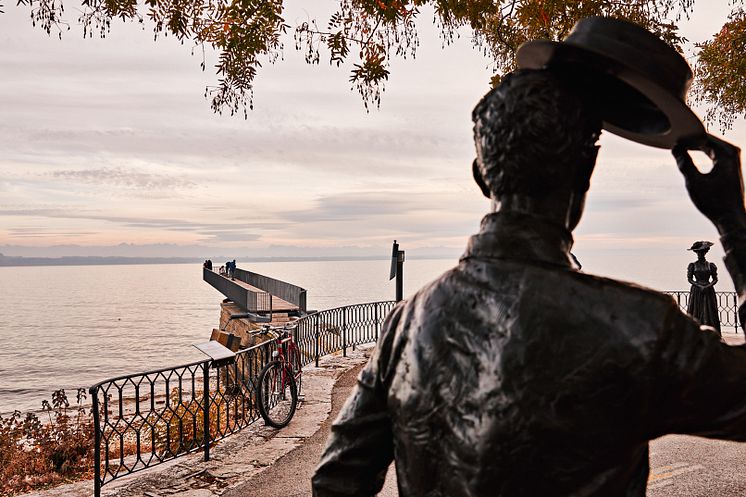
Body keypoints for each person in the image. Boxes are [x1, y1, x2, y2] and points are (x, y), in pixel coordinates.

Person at [312, 18, 746, 497]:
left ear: (482, 176)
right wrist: (733, 224)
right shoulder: (638, 327)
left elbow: (336, 479)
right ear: (587, 169)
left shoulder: (406, 324)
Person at [686, 240, 722, 337]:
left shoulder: (711, 265)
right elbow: (689, 279)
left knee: (710, 311)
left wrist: (707, 286)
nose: (700, 254)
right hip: (697, 291)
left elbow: (715, 279)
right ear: (696, 253)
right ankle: (695, 332)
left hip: (708, 291)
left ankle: (712, 332)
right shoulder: (692, 265)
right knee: (696, 310)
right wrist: (699, 286)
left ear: (705, 252)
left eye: (702, 252)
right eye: (698, 252)